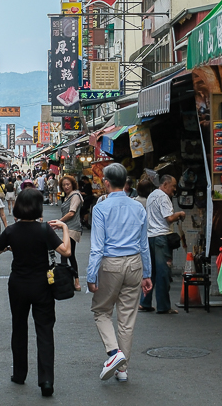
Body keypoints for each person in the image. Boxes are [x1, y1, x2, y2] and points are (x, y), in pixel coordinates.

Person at [0, 188, 72, 398]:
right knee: (44, 330)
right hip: (42, 285)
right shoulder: (44, 229)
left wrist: (7, 248)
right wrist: (64, 228)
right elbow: (66, 251)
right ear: (38, 207)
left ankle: (19, 374)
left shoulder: (11, 231)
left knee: (19, 327)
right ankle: (46, 380)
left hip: (18, 285)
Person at [86, 163, 152, 384]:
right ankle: (122, 370)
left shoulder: (101, 208)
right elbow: (144, 244)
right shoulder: (138, 208)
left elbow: (97, 246)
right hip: (134, 264)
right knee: (127, 318)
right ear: (125, 183)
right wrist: (147, 273)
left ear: (106, 182)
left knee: (102, 311)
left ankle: (114, 354)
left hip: (110, 264)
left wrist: (91, 275)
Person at [139, 175, 187, 314]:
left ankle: (145, 302)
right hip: (161, 238)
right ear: (165, 185)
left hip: (150, 237)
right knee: (163, 273)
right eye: (173, 186)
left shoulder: (152, 195)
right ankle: (163, 306)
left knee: (151, 272)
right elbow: (169, 218)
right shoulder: (164, 197)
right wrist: (180, 214)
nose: (174, 189)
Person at [58, 176, 84, 292]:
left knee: (66, 254)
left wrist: (59, 221)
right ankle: (73, 281)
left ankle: (70, 282)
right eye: (64, 185)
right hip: (67, 229)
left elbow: (71, 213)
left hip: (72, 229)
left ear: (73, 184)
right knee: (70, 254)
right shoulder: (67, 196)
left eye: (68, 184)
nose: (66, 186)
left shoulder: (75, 196)